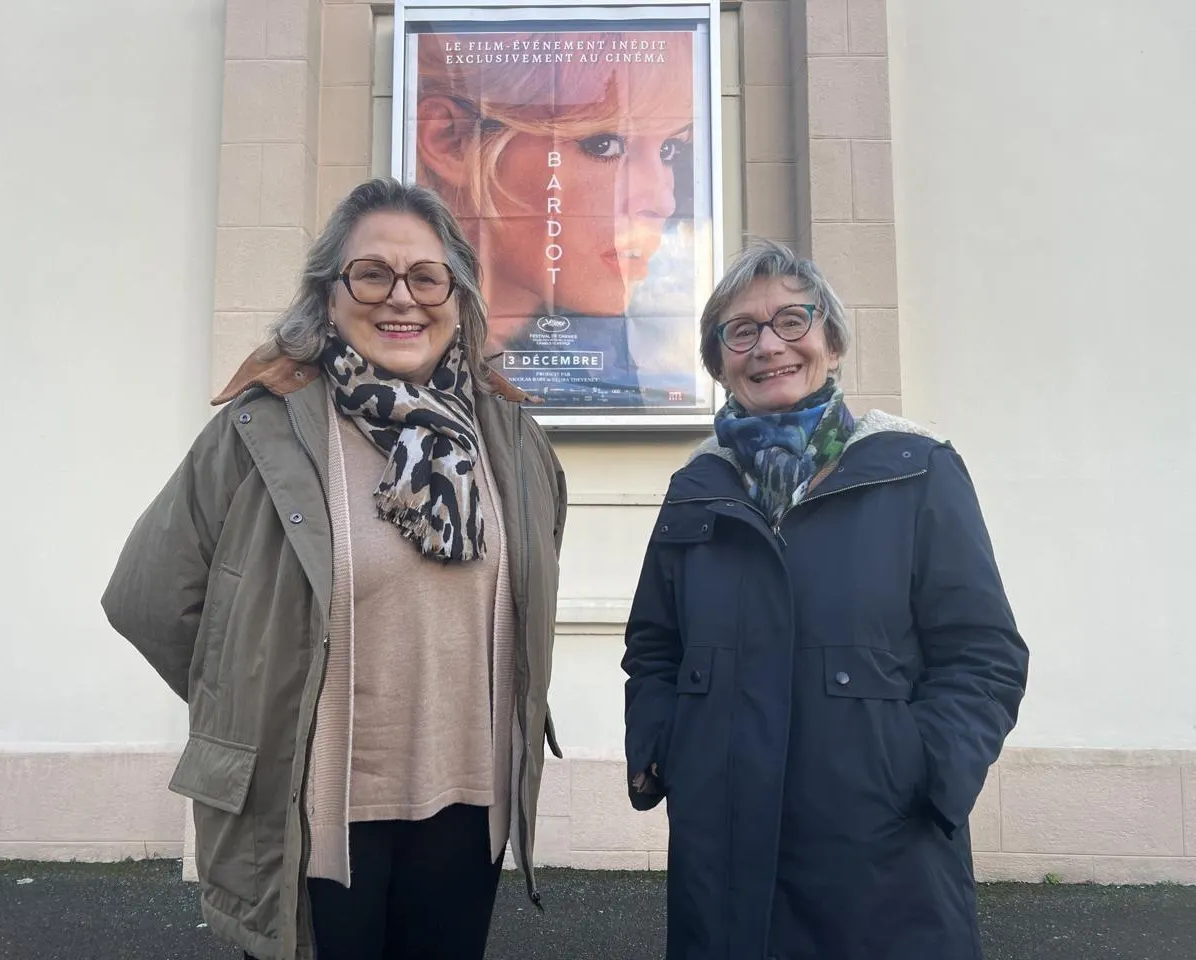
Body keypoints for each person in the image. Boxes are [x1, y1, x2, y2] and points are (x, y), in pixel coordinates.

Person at [102, 177, 567, 960]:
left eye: (427, 277)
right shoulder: (262, 429)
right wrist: (258, 704)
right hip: (311, 808)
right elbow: (147, 598)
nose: (401, 298)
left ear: (458, 299)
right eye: (371, 273)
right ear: (327, 293)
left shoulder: (510, 437)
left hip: (471, 808)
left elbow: (533, 576)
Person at [622, 241, 1028, 959]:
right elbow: (655, 646)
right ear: (719, 363)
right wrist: (663, 749)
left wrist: (925, 768)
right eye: (740, 331)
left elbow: (983, 653)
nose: (767, 346)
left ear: (832, 342)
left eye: (791, 320)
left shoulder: (917, 472)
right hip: (722, 848)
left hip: (882, 853)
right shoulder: (695, 490)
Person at [416, 29, 697, 405]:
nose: (663, 200)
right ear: (452, 141)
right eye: (604, 145)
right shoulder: (390, 363)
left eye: (669, 149)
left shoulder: (641, 368)